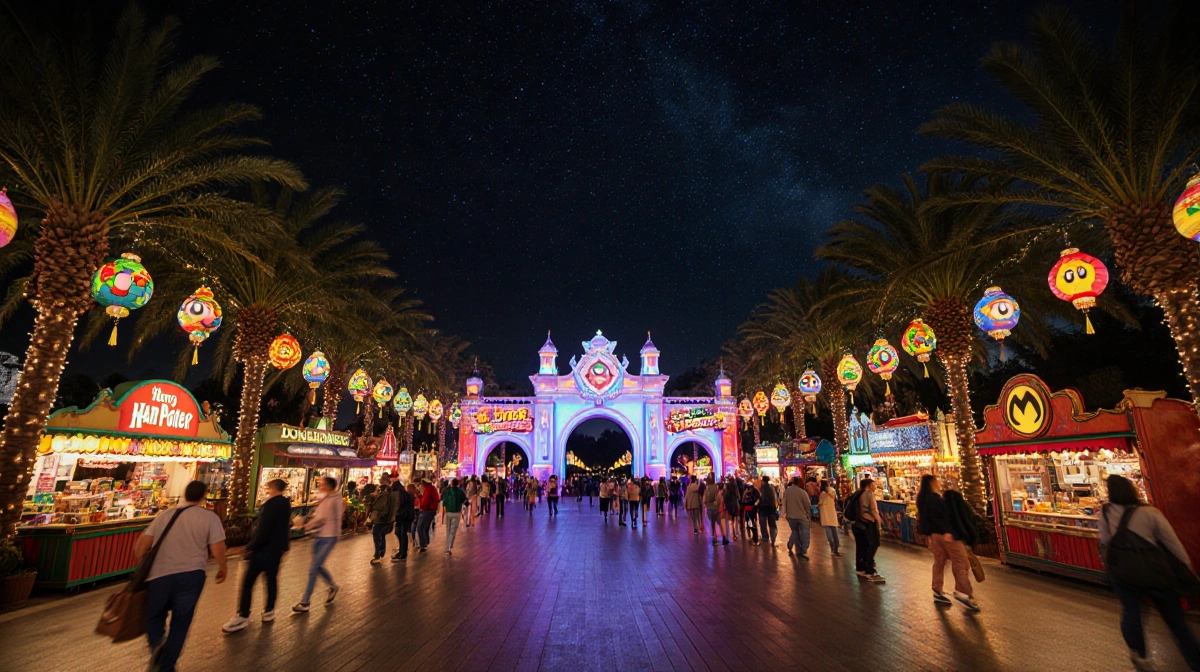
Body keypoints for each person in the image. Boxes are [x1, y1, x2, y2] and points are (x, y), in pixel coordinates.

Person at [1099, 475, 1200, 670]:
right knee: (1175, 620)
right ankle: (1195, 659)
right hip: (1155, 572)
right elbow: (1172, 543)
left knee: (1131, 613)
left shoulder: (1105, 513)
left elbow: (1105, 541)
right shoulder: (1150, 513)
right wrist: (1187, 568)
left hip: (1123, 573)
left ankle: (1140, 655)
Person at [136, 481, 227, 672]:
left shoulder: (165, 515)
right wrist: (222, 567)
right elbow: (217, 546)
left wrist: (142, 565)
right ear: (203, 496)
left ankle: (157, 646)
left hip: (159, 575)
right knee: (181, 621)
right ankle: (166, 665)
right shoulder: (209, 517)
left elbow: (142, 545)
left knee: (154, 616)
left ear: (185, 494)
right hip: (191, 575)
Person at [223, 478, 290, 634]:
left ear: (273, 488)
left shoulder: (270, 505)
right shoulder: (285, 503)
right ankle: (269, 610)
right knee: (271, 580)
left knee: (248, 583)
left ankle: (243, 615)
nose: (267, 490)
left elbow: (263, 530)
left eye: (268, 488)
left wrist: (250, 547)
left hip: (263, 551)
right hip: (277, 550)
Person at [916, 474, 976, 608]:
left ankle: (937, 589)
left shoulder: (922, 500)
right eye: (936, 481)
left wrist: (929, 535)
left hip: (934, 536)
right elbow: (943, 518)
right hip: (946, 536)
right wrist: (948, 531)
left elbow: (925, 520)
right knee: (961, 561)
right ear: (932, 483)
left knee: (940, 561)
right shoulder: (936, 500)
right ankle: (963, 592)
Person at [292, 476, 345, 613]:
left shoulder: (334, 499)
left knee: (314, 568)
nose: (320, 486)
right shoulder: (326, 498)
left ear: (328, 486)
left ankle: (305, 602)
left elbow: (322, 519)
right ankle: (332, 586)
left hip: (329, 536)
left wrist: (305, 526)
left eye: (322, 484)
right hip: (319, 535)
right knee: (317, 566)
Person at [852, 478, 884, 582]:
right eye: (873, 484)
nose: (875, 486)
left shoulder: (858, 493)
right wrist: (874, 520)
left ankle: (861, 568)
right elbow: (865, 510)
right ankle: (868, 568)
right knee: (872, 544)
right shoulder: (867, 494)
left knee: (862, 546)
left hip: (859, 524)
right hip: (866, 524)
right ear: (868, 485)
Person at [368, 474, 398, 564]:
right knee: (382, 535)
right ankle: (381, 552)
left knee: (377, 536)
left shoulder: (384, 496)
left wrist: (371, 518)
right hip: (388, 520)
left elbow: (379, 508)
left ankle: (377, 555)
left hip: (381, 519)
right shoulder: (393, 494)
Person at [783, 476, 812, 559]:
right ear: (799, 483)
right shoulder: (802, 492)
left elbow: (784, 503)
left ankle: (790, 544)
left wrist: (783, 513)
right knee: (805, 533)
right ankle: (803, 550)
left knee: (795, 531)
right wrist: (808, 513)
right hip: (801, 516)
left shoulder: (787, 491)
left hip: (790, 516)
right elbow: (807, 504)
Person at [440, 478, 467, 554]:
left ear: (451, 483)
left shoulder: (447, 491)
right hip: (456, 513)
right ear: (458, 484)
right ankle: (449, 546)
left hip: (448, 512)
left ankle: (448, 547)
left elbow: (443, 501)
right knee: (453, 530)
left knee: (448, 530)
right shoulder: (461, 491)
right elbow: (465, 501)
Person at [392, 478, 415, 562]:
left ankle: (403, 552)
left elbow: (400, 505)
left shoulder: (401, 495)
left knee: (402, 533)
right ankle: (401, 551)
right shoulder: (403, 493)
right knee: (400, 533)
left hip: (404, 516)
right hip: (403, 516)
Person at [817, 479, 841, 557]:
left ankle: (833, 546)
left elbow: (820, 504)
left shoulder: (822, 493)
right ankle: (836, 548)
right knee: (834, 531)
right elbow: (834, 498)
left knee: (828, 531)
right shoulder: (832, 490)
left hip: (825, 514)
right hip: (831, 513)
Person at [416, 479, 439, 552]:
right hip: (431, 510)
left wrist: (422, 508)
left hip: (427, 511)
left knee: (420, 527)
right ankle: (426, 541)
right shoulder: (432, 489)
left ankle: (423, 544)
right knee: (425, 527)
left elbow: (426, 501)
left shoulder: (428, 489)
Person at [757, 475, 779, 546]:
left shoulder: (761, 488)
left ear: (763, 481)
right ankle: (773, 537)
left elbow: (759, 499)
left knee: (763, 523)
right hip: (771, 508)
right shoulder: (771, 488)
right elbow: (775, 498)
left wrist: (757, 505)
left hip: (763, 509)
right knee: (772, 524)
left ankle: (765, 537)